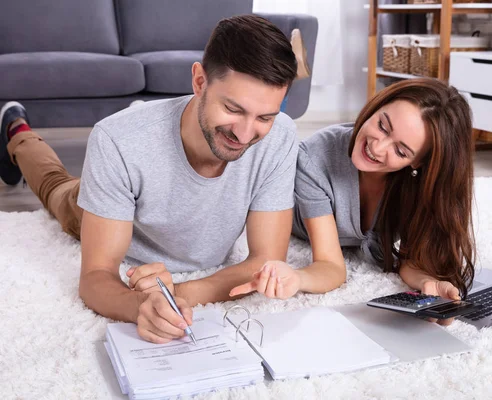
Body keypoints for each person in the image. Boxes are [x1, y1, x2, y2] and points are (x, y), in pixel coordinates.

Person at [0, 15, 300, 343]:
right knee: (55, 185)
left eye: (264, 117)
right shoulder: (115, 140)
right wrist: (140, 305)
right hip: (107, 212)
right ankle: (18, 132)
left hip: (142, 152)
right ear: (199, 81)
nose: (244, 134)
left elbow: (266, 262)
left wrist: (179, 293)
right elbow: (95, 276)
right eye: (233, 109)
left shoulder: (280, 136)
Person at [231, 79, 476, 324]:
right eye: (382, 125)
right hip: (300, 221)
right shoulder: (315, 156)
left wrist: (427, 282)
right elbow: (330, 265)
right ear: (377, 106)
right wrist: (297, 278)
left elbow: (409, 259)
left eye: (400, 151)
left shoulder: (418, 183)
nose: (377, 148)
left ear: (418, 164)